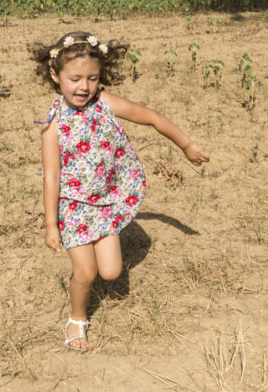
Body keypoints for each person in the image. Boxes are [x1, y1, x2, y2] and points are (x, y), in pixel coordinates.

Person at [30, 31, 210, 351]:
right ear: (55, 75)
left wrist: (186, 145)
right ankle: (77, 319)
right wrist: (50, 225)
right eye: (75, 78)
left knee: (111, 273)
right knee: (86, 273)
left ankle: (94, 274)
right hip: (73, 207)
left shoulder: (105, 103)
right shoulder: (52, 124)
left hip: (104, 202)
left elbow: (152, 118)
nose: (84, 86)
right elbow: (51, 177)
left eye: (92, 78)